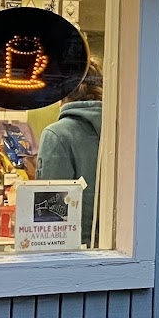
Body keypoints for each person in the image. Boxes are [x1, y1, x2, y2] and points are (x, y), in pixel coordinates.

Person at [37, 66, 102, 245]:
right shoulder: (124, 128)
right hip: (118, 249)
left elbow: (50, 213)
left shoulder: (56, 134)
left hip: (74, 251)